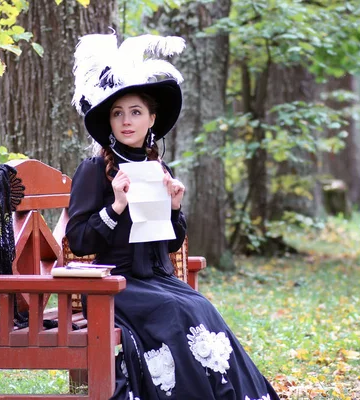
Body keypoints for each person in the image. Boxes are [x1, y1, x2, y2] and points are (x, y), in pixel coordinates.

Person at [65, 33, 279, 400]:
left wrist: (176, 207)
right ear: (110, 122)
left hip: (157, 278)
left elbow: (172, 241)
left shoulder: (157, 166)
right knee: (176, 309)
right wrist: (115, 206)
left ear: (151, 119)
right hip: (112, 285)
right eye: (118, 114)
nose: (126, 121)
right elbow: (80, 239)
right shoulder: (94, 169)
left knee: (199, 306)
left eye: (135, 112)